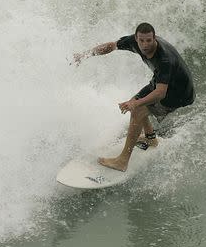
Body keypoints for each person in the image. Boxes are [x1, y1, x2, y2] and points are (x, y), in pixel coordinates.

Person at [73, 23, 195, 171]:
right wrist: (85, 55)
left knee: (137, 109)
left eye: (149, 40)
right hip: (160, 83)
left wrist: (136, 105)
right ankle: (151, 139)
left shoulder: (165, 59)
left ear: (154, 38)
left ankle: (122, 161)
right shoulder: (133, 42)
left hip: (178, 93)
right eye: (141, 40)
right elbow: (111, 46)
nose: (145, 45)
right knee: (134, 101)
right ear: (136, 38)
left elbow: (160, 93)